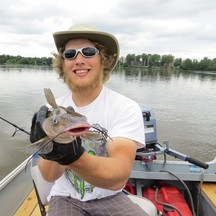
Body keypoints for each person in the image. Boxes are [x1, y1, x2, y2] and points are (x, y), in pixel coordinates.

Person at [30, 24, 149, 216]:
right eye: (70, 54)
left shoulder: (124, 107)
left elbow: (118, 176)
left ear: (104, 61)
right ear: (63, 64)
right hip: (64, 197)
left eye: (88, 52)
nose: (78, 60)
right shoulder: (52, 109)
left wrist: (73, 157)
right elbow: (49, 175)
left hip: (110, 196)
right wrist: (52, 144)